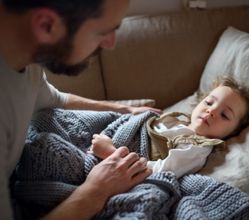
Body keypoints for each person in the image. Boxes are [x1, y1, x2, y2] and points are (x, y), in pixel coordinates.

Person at [0, 0, 161, 219]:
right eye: (103, 32)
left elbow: (55, 99)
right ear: (47, 25)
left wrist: (125, 109)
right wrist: (97, 190)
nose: (110, 43)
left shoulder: (26, 59)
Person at [89, 77, 249, 178]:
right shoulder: (174, 120)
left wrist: (111, 153)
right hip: (109, 136)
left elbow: (159, 172)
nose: (211, 111)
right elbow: (136, 124)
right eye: (209, 102)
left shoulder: (197, 148)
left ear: (231, 133)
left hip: (116, 158)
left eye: (224, 115)